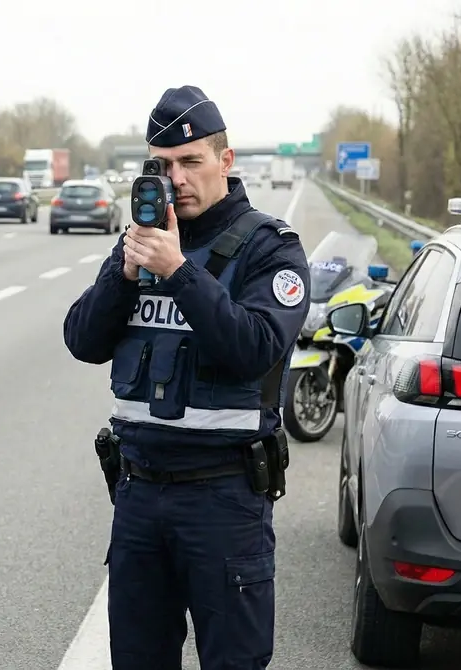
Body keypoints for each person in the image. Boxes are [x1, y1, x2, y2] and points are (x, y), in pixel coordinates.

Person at [62, 85, 311, 669]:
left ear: (225, 161)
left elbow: (253, 347)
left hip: (223, 500)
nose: (175, 178)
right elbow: (82, 340)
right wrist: (124, 274)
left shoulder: (268, 250)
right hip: (139, 492)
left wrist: (177, 272)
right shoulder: (139, 247)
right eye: (162, 165)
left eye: (190, 162)